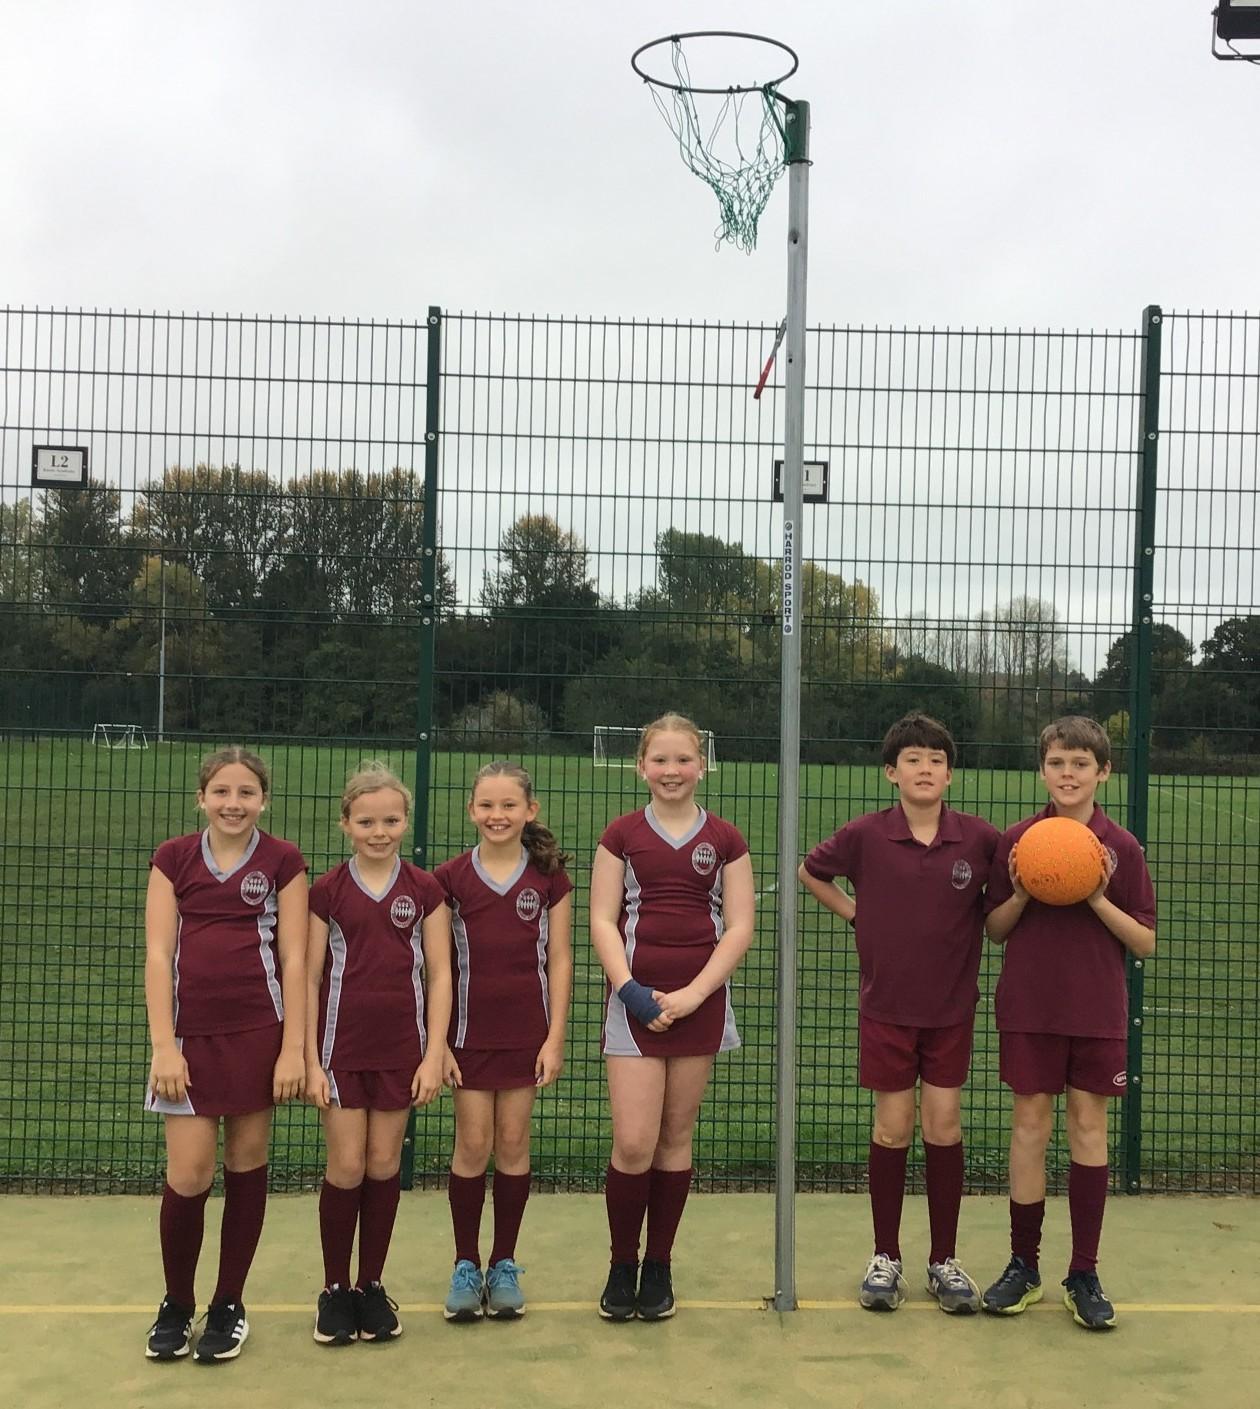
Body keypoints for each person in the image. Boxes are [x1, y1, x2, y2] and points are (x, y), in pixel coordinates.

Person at [799, 713, 999, 1315]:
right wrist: (855, 913)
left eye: (936, 760)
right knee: (892, 1128)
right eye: (913, 760)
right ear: (892, 772)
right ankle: (885, 1256)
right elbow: (811, 871)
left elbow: (1005, 901)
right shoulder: (865, 835)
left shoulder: (979, 840)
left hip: (950, 1010)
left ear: (951, 775)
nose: (925, 769)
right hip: (886, 1008)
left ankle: (944, 1261)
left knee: (944, 1126)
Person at [980, 716, 1155, 1330]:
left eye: (1081, 764)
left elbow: (1145, 941)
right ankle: (1023, 1264)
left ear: (1103, 772)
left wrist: (1096, 893)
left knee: (1087, 1126)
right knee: (1030, 1127)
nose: (1068, 774)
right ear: (1042, 770)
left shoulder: (1121, 848)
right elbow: (995, 929)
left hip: (1096, 1009)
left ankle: (1084, 1272)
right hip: (1030, 1007)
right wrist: (1025, 890)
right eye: (1057, 763)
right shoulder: (1019, 841)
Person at [143, 747, 308, 1364]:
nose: (233, 803)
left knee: (246, 1163)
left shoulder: (284, 860)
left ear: (264, 800)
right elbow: (159, 954)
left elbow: (295, 958)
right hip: (188, 1039)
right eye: (221, 792)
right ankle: (176, 1304)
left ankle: (228, 1303)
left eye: (245, 793)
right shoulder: (173, 858)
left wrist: (293, 1049)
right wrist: (164, 1045)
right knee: (188, 1174)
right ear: (202, 798)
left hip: (259, 1034)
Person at [590, 713, 755, 1322]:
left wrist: (694, 995)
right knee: (634, 1142)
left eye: (683, 759)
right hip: (634, 1005)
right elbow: (602, 918)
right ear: (641, 767)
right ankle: (621, 1264)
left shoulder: (727, 839)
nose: (671, 770)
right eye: (659, 759)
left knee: (674, 1140)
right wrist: (631, 991)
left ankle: (658, 1265)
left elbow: (739, 926)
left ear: (701, 766)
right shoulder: (622, 835)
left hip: (697, 1006)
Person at [305, 764, 452, 1346]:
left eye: (391, 821)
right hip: (339, 1051)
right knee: (346, 1165)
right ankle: (334, 1289)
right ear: (345, 823)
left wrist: (434, 1053)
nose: (379, 832)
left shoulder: (425, 890)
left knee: (384, 1163)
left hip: (402, 1053)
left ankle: (370, 1285)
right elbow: (309, 975)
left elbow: (440, 974)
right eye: (366, 822)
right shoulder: (327, 891)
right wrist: (310, 1060)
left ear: (406, 822)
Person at [434, 761, 574, 1322]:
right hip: (467, 1037)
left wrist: (554, 1037)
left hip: (525, 1036)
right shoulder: (448, 879)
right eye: (487, 805)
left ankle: (504, 1264)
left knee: (514, 1142)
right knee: (472, 1145)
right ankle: (466, 1265)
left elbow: (559, 959)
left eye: (509, 805)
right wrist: (440, 1044)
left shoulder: (549, 879)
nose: (498, 815)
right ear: (471, 810)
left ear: (529, 811)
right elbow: (435, 967)